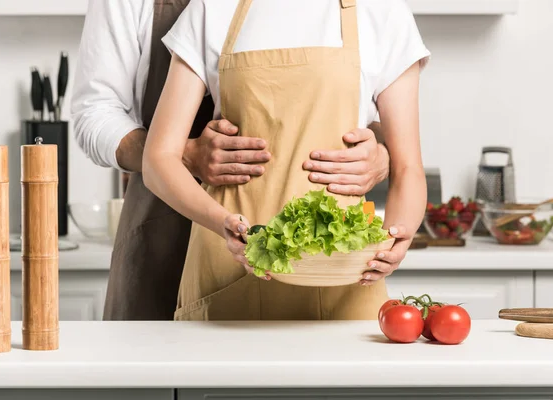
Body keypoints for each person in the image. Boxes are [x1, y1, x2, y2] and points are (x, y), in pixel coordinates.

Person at [71, 1, 399, 321]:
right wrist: (186, 154)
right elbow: (94, 113)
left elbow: (359, 95)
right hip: (162, 224)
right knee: (165, 367)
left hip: (296, 242)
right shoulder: (203, 12)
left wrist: (383, 155)